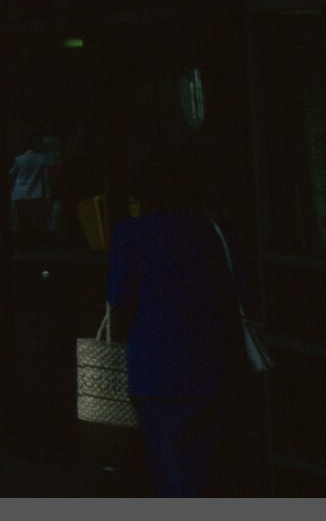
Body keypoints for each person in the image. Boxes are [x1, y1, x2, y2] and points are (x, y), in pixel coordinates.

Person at [106, 147, 248, 497]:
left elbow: (119, 299)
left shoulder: (130, 234)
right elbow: (237, 293)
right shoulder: (215, 232)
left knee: (165, 464)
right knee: (204, 466)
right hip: (211, 364)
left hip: (154, 367)